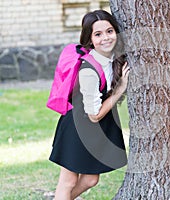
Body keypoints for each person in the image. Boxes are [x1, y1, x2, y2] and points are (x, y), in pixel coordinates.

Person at [49, 10, 129, 199]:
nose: (106, 38)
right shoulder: (89, 70)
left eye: (109, 31)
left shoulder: (112, 59)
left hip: (95, 128)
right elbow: (94, 114)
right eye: (98, 34)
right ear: (90, 39)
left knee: (91, 179)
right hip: (79, 126)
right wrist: (120, 89)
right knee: (68, 181)